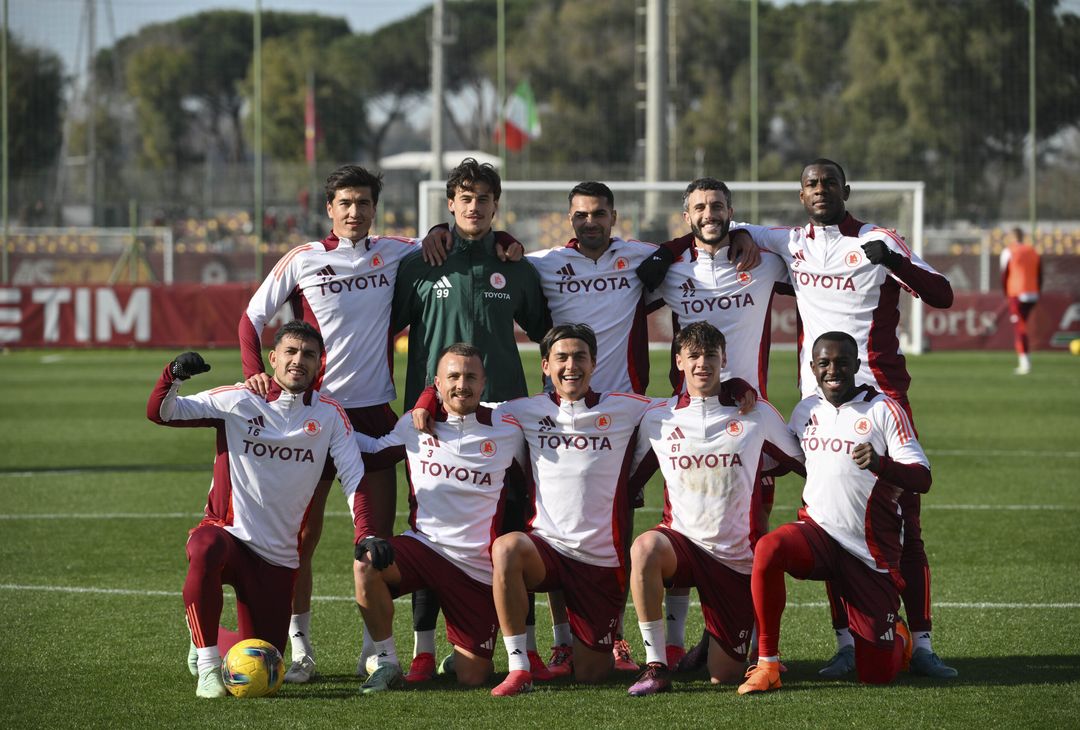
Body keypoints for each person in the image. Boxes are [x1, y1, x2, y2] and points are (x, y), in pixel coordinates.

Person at [737, 159, 957, 679]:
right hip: (818, 404)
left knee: (906, 523)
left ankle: (922, 644)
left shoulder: (879, 239)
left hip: (880, 398)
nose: (821, 190)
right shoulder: (791, 242)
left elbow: (942, 294)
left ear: (846, 190)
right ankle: (846, 645)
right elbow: (730, 225)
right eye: (812, 184)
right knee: (831, 519)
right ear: (801, 194)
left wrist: (894, 263)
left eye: (830, 183)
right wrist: (742, 237)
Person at [238, 165, 413, 682]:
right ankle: (300, 651)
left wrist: (506, 243)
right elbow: (251, 318)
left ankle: (374, 651)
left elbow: (452, 238)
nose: (355, 211)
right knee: (299, 539)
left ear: (375, 208)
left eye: (364, 203)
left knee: (375, 542)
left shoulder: (398, 250)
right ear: (330, 209)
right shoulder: (303, 258)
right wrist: (254, 374)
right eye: (345, 203)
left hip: (374, 414)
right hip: (312, 416)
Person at [390, 157, 552, 682]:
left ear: (495, 206)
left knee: (513, 528)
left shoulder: (516, 267)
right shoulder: (421, 263)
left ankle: (526, 650)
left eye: (484, 199)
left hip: (503, 422)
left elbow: (547, 332)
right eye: (466, 198)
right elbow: (382, 327)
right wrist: (418, 397)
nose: (475, 207)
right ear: (450, 204)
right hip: (433, 420)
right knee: (431, 528)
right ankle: (422, 650)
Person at [147, 320, 367, 698]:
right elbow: (162, 413)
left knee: (264, 661)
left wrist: (366, 532)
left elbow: (354, 477)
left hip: (278, 558)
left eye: (308, 354)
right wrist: (174, 375)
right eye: (290, 352)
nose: (298, 360)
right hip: (229, 536)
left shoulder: (330, 415)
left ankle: (204, 632)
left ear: (319, 363)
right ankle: (207, 667)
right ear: (273, 358)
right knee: (204, 546)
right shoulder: (240, 398)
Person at [638, 178, 789, 668]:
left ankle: (750, 643)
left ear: (731, 211)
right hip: (690, 420)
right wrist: (673, 248)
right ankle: (674, 642)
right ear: (687, 216)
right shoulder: (672, 270)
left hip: (748, 417)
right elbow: (632, 282)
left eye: (718, 206)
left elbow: (805, 255)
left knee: (751, 530)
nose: (710, 213)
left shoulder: (762, 262)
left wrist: (746, 234)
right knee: (686, 521)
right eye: (700, 207)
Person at [738, 331, 931, 694]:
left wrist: (881, 464)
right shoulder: (806, 410)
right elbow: (791, 458)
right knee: (769, 549)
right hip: (819, 534)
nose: (833, 370)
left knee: (876, 675)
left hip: (869, 551)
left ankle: (899, 636)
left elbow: (923, 477)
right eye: (824, 363)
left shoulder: (884, 409)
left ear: (856, 365)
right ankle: (767, 664)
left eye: (842, 363)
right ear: (812, 368)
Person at [625, 323, 803, 696]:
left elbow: (799, 461)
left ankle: (713, 641)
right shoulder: (659, 418)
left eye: (710, 355)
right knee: (644, 548)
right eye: (693, 356)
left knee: (724, 675)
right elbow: (628, 482)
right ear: (678, 361)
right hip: (682, 545)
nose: (701, 363)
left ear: (723, 360)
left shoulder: (755, 412)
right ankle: (656, 665)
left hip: (735, 558)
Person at [483, 324, 656, 697]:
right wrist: (428, 399)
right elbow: (464, 405)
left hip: (599, 561)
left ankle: (595, 644)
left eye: (580, 357)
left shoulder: (626, 407)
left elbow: (683, 406)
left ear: (594, 363)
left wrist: (734, 388)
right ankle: (519, 667)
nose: (571, 366)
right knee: (506, 548)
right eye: (561, 358)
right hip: (546, 550)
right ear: (546, 365)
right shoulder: (522, 410)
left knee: (592, 675)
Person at [350, 344, 526, 693]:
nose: (462, 385)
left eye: (471, 377)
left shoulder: (508, 427)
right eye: (453, 377)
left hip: (477, 567)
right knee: (366, 563)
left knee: (472, 677)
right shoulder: (414, 424)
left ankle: (462, 655)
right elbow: (374, 453)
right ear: (437, 383)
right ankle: (387, 662)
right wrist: (328, 426)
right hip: (424, 548)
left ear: (484, 382)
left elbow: (531, 482)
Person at [1000, 227, 1042, 375]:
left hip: (1017, 293)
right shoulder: (1033, 251)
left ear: (1012, 237)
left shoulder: (1008, 251)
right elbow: (1040, 273)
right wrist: (1037, 291)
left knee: (1020, 328)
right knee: (1022, 326)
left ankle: (1025, 363)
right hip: (1032, 293)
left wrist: (1006, 294)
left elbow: (1004, 275)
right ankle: (1025, 360)